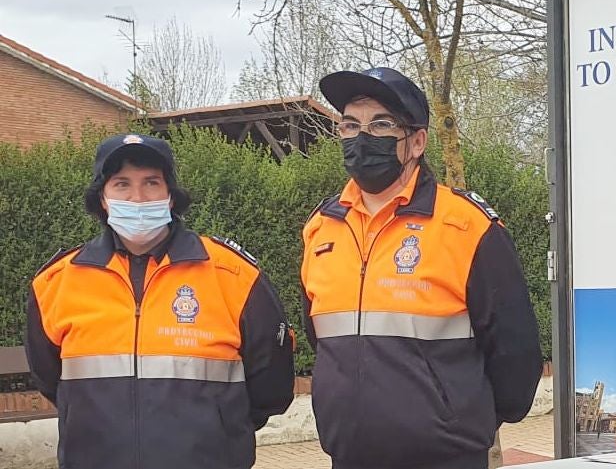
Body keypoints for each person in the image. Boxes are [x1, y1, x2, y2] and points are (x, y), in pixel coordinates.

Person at [302, 67, 543, 469]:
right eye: (349, 124)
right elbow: (321, 338)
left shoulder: (467, 226)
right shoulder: (321, 229)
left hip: (446, 456)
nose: (362, 137)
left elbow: (515, 351)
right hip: (350, 454)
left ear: (416, 141)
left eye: (380, 124)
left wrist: (463, 420)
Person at [25, 133, 295, 469]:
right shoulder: (56, 282)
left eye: (151, 183)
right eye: (121, 184)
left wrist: (218, 432)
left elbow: (271, 384)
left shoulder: (234, 275)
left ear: (170, 196)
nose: (137, 197)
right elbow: (50, 378)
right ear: (103, 198)